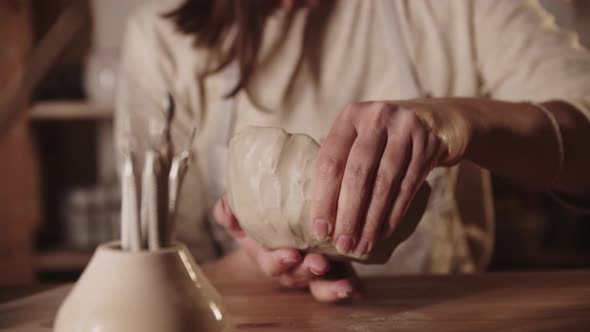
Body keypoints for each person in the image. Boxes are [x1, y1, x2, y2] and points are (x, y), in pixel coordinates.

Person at [115, 0, 590, 302]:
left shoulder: (459, 10)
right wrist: (265, 268)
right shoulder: (164, 36)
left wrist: (461, 121)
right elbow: (150, 275)